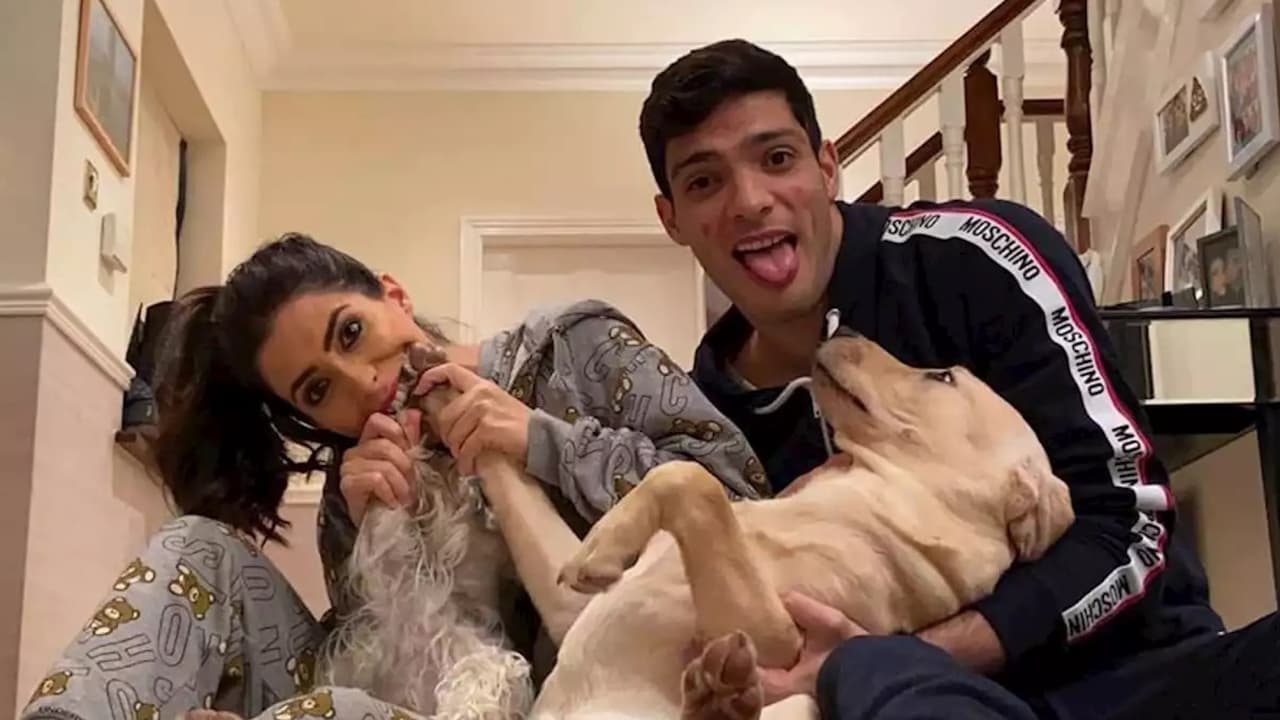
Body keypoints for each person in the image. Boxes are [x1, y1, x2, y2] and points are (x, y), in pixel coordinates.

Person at [640, 39, 1278, 718]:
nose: (749, 201)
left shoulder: (977, 259)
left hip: (1138, 679)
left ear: (827, 167)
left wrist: (891, 663)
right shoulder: (702, 417)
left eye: (776, 158)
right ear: (671, 218)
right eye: (704, 182)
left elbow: (1128, 524)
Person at [21, 233, 766, 720]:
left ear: (393, 296)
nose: (362, 383)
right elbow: (383, 667)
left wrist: (545, 442)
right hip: (413, 698)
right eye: (318, 390)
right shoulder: (358, 480)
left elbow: (742, 496)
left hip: (581, 692)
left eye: (352, 332)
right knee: (195, 547)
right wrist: (365, 543)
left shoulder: (570, 349)